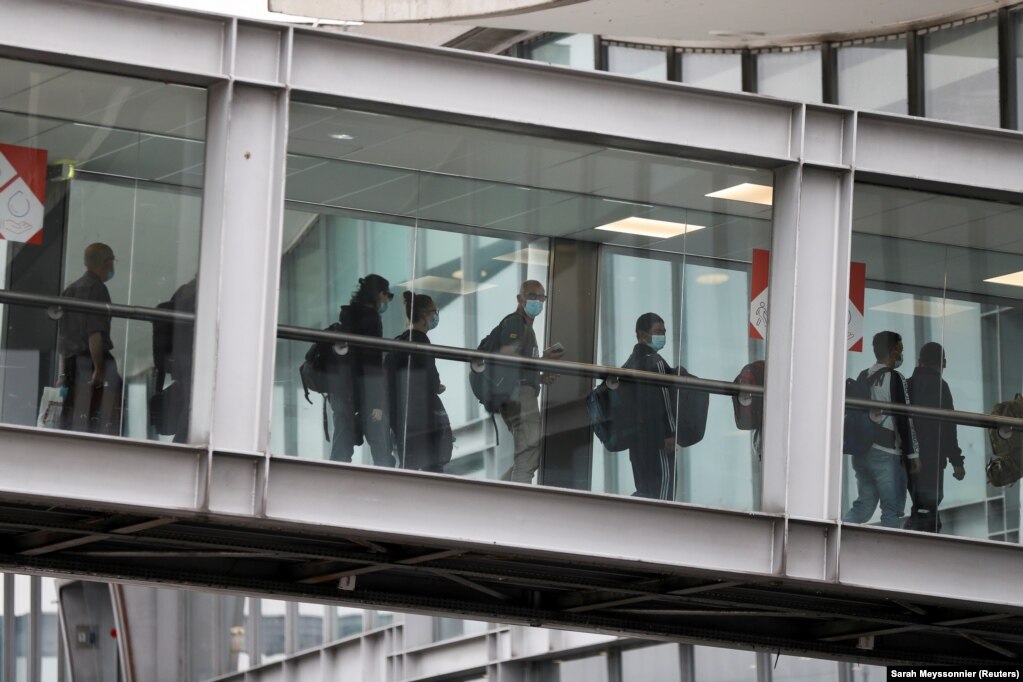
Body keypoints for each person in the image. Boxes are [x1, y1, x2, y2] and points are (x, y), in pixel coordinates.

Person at [843, 331, 920, 529]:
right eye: (900, 349)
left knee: (864, 507)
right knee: (890, 509)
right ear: (893, 351)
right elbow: (905, 418)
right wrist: (913, 455)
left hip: (861, 452)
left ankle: (840, 537)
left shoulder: (862, 376)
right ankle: (890, 554)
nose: (901, 354)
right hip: (886, 452)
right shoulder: (896, 378)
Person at [498, 280, 563, 483]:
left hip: (519, 392)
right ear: (520, 298)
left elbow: (522, 367)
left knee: (526, 454)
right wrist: (542, 361)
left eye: (541, 297)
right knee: (528, 452)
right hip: (519, 395)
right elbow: (508, 357)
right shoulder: (516, 322)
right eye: (532, 296)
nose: (537, 301)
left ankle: (498, 496)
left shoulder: (527, 328)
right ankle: (515, 506)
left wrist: (540, 377)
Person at [328, 274, 394, 467]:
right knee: (381, 448)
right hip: (364, 392)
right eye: (387, 296)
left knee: (342, 446)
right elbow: (371, 363)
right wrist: (378, 403)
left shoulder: (348, 316)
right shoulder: (371, 319)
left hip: (341, 389)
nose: (386, 302)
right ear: (379, 294)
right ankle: (386, 487)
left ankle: (336, 484)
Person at [57, 242, 123, 435]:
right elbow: (94, 333)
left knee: (75, 414)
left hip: (71, 363)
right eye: (112, 261)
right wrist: (100, 368)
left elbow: (64, 336)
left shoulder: (70, 290)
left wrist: (62, 373)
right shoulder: (96, 288)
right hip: (90, 362)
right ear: (106, 262)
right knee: (105, 412)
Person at [386, 292, 451, 472]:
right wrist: (437, 386)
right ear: (424, 315)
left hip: (401, 418)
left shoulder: (400, 341)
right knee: (432, 469)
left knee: (409, 466)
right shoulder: (421, 341)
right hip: (421, 419)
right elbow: (430, 380)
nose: (435, 315)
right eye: (434, 311)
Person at [905, 342, 965, 533]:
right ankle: (923, 539)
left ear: (919, 361)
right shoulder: (940, 387)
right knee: (930, 503)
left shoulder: (906, 385)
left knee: (920, 502)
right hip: (933, 457)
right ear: (943, 363)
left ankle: (915, 534)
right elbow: (949, 426)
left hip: (907, 456)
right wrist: (957, 461)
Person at [623, 313, 679, 500]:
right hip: (658, 442)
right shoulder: (655, 362)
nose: (662, 336)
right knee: (663, 497)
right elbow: (665, 400)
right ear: (642, 334)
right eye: (657, 332)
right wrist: (670, 433)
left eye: (664, 332)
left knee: (644, 493)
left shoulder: (630, 362)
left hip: (637, 442)